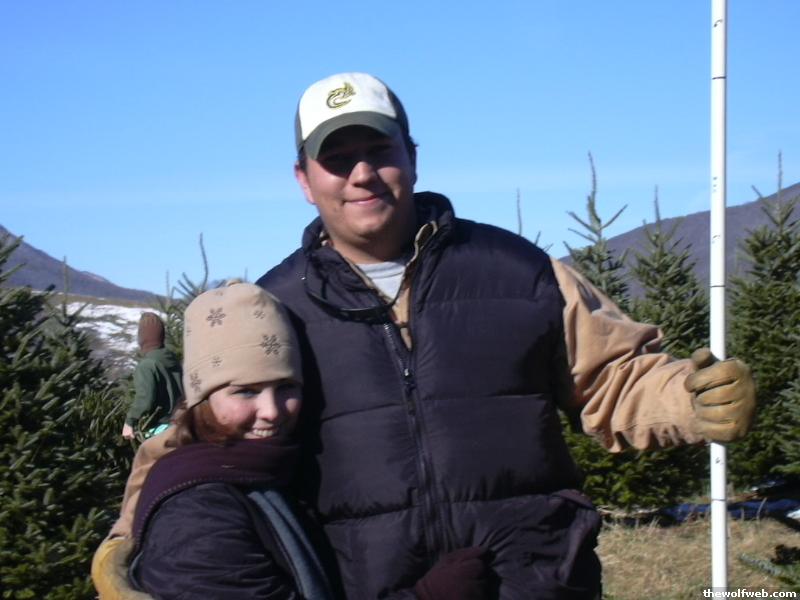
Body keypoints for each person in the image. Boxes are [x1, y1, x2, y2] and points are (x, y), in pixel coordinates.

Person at [95, 72, 756, 599]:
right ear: (304, 180)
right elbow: (198, 434)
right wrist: (127, 539)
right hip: (374, 588)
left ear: (411, 157)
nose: (361, 174)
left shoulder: (518, 271)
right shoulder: (278, 305)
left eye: (378, 151)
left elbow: (615, 376)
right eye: (337, 159)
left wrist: (688, 398)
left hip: (536, 580)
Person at [122, 313, 183, 440]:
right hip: (179, 423)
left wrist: (130, 421)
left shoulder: (147, 365)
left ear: (142, 338)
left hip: (159, 428)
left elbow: (145, 398)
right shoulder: (173, 359)